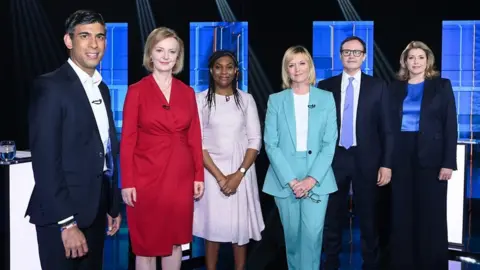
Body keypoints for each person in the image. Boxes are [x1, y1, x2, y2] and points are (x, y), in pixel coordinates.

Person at [26, 10, 121, 270]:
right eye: (85, 36)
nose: (94, 44)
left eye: (100, 37)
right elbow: (45, 161)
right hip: (63, 216)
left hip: (97, 209)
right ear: (69, 41)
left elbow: (105, 150)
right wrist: (67, 223)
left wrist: (112, 205)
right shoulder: (51, 86)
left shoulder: (101, 87)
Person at [120, 27, 205, 270]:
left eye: (172, 51)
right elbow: (127, 140)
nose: (166, 56)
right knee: (146, 246)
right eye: (160, 50)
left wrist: (198, 174)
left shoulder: (187, 93)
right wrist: (127, 182)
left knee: (176, 242)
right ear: (150, 54)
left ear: (178, 57)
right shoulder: (136, 91)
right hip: (146, 177)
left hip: (180, 177)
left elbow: (195, 137)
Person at [316, 36, 394, 270]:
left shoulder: (378, 86)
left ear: (364, 56)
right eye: (347, 51)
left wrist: (386, 164)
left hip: (368, 160)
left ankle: (370, 264)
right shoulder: (325, 86)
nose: (351, 55)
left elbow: (388, 129)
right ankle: (330, 263)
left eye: (356, 52)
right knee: (331, 217)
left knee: (369, 218)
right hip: (334, 159)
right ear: (340, 55)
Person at [262, 45, 338, 270]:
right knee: (293, 239)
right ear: (286, 70)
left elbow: (329, 143)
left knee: (312, 237)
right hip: (284, 176)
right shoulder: (276, 100)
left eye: (301, 63)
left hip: (318, 175)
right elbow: (270, 144)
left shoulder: (326, 98)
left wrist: (311, 179)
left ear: (310, 67)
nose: (297, 69)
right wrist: (292, 181)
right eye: (291, 64)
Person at [193, 50, 265, 270]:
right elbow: (198, 143)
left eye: (229, 66)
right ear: (211, 71)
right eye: (218, 66)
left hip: (242, 171)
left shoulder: (246, 99)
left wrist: (238, 175)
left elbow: (255, 140)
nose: (224, 71)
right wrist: (221, 177)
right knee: (212, 230)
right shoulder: (199, 100)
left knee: (239, 229)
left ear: (236, 71)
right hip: (210, 171)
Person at [388, 41, 457, 270]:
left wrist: (448, 162)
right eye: (411, 58)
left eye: (420, 57)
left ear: (428, 61)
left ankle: (432, 263)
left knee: (431, 213)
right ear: (405, 62)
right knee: (402, 211)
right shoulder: (395, 87)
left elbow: (450, 125)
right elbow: (388, 124)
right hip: (401, 155)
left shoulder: (442, 85)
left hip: (432, 157)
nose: (415, 62)